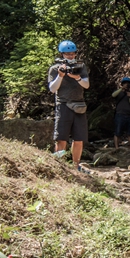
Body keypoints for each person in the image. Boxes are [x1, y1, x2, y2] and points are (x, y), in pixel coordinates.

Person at [48, 40, 90, 172]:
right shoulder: (55, 69)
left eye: (72, 54)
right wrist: (60, 76)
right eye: (67, 54)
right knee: (61, 137)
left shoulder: (81, 66)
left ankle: (76, 166)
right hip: (63, 105)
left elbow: (86, 85)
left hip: (79, 104)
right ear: (62, 54)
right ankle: (59, 166)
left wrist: (76, 77)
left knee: (79, 138)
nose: (70, 57)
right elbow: (52, 89)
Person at [112, 76, 130, 148]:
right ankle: (117, 148)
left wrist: (129, 96)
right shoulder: (118, 92)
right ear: (122, 84)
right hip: (119, 114)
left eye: (128, 84)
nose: (127, 85)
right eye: (125, 83)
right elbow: (113, 95)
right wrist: (121, 89)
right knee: (117, 132)